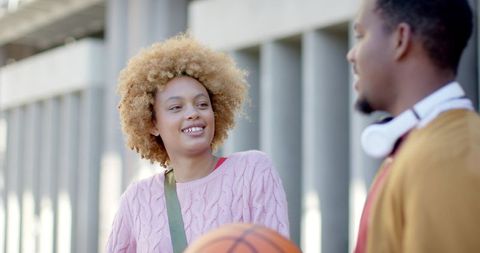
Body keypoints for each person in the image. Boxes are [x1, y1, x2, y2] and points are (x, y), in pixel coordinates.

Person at [106, 35, 289, 253]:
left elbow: (275, 246)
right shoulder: (136, 199)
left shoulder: (252, 171)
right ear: (153, 123)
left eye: (202, 104)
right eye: (176, 107)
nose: (193, 113)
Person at [347, 0, 480, 252]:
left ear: (400, 39)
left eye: (361, 36)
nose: (351, 54)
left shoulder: (447, 159)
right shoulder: (429, 146)